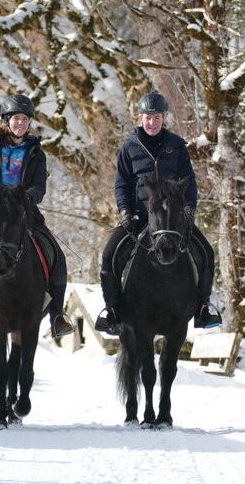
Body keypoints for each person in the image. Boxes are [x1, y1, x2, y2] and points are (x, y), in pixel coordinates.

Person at [94, 92, 222, 335]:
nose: (152, 123)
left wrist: (187, 212)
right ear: (140, 118)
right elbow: (121, 184)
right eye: (147, 118)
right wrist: (124, 211)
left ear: (164, 118)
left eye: (156, 118)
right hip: (138, 217)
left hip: (172, 220)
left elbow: (189, 182)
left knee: (206, 252)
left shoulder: (177, 146)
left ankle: (204, 307)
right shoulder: (129, 147)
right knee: (109, 255)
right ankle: (111, 310)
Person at [0, 94, 75, 339]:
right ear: (7, 120)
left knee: (57, 255)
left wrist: (26, 201)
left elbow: (38, 186)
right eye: (16, 119)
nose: (20, 123)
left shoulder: (36, 152)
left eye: (24, 119)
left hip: (24, 215)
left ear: (29, 122)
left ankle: (57, 315)